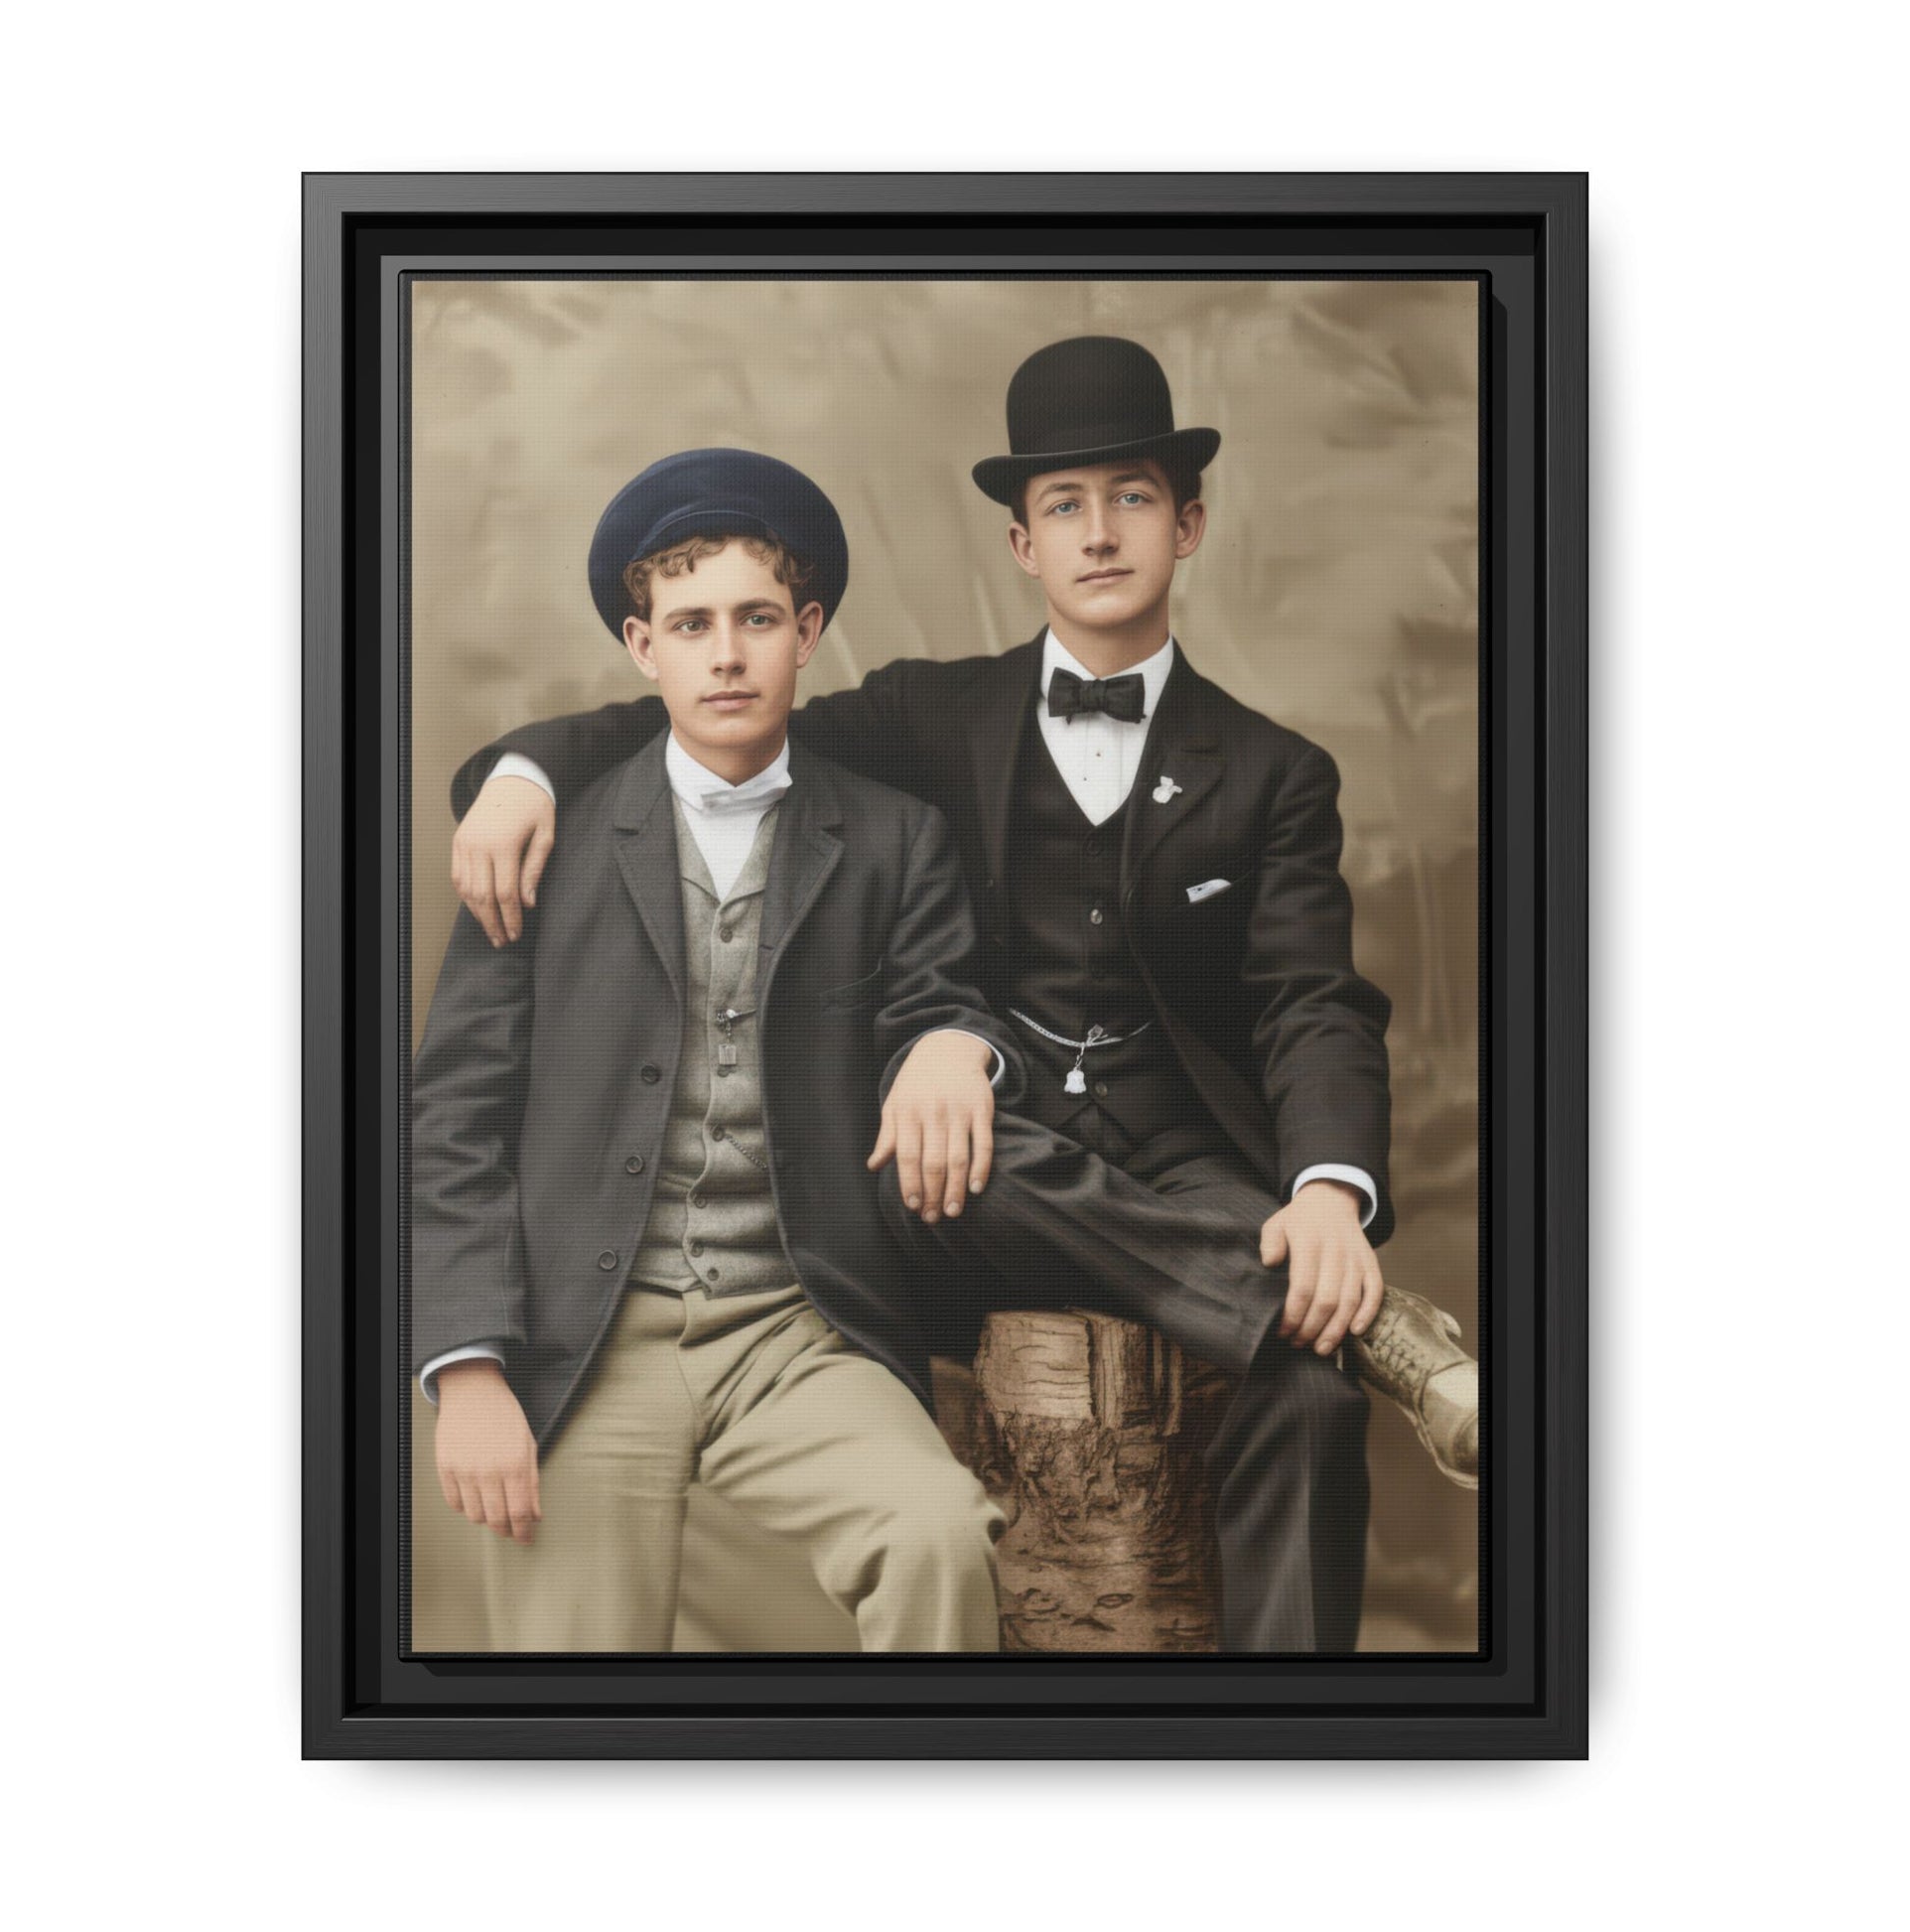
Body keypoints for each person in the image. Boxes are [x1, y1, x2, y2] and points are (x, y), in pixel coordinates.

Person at [445, 339, 1479, 1654]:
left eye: (1132, 498)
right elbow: (710, 718)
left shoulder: (1275, 771)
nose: (1097, 533)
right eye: (1063, 505)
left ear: (1188, 523)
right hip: (979, 1157)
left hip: (1181, 1164)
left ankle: (1281, 1731)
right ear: (1019, 543)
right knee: (958, 1164)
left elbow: (1310, 1001)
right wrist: (523, 772)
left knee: (1315, 1397)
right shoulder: (924, 714)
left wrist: (1326, 1191)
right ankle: (1359, 1324)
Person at [414, 448, 1014, 1653]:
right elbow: (453, 1120)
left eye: (756, 619)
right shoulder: (538, 842)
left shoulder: (893, 838)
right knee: (569, 1663)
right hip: (586, 1331)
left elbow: (939, 995)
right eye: (691, 625)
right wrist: (467, 1367)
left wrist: (957, 1041)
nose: (726, 654)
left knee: (937, 1530)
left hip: (798, 1323)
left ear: (809, 631)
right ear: (644, 649)